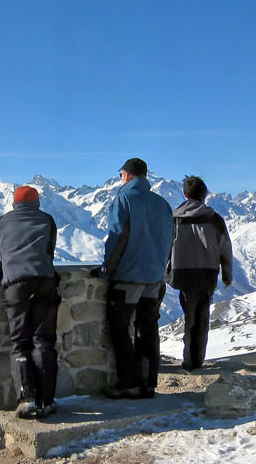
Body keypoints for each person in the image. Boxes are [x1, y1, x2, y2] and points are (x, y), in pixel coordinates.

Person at [98, 159, 177, 398]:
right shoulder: (163, 204)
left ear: (128, 176)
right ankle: (148, 383)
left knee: (120, 329)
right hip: (155, 277)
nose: (121, 178)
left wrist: (107, 269)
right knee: (148, 328)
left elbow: (117, 237)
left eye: (121, 174)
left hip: (128, 276)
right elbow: (170, 239)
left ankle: (129, 384)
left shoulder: (123, 199)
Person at [0, 186, 67, 417]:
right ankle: (47, 401)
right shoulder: (47, 220)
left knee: (20, 342)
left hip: (15, 285)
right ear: (37, 202)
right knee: (43, 341)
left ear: (15, 203)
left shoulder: (2, 222)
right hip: (44, 281)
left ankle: (27, 398)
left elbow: (1, 252)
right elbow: (49, 251)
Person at [169, 176, 232, 371]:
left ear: (185, 194)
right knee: (201, 316)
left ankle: (188, 360)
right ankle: (196, 360)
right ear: (205, 195)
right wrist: (227, 273)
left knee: (189, 315)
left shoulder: (174, 218)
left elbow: (164, 245)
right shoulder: (214, 219)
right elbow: (225, 247)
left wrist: (166, 270)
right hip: (206, 274)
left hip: (182, 274)